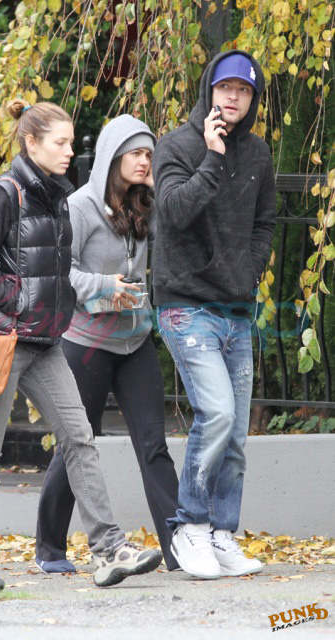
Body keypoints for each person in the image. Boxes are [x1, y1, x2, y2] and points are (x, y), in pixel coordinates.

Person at [0, 100, 162, 594]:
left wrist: (74, 301)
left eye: (69, 142)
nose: (68, 151)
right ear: (32, 143)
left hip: (45, 343)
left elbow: (60, 273)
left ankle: (109, 549)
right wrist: (19, 301)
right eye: (59, 143)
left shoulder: (59, 197)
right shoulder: (5, 194)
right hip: (2, 343)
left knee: (80, 438)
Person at [35, 114, 180, 573]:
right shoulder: (79, 206)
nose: (144, 161)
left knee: (154, 445)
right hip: (87, 344)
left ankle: (178, 549)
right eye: (136, 153)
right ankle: (50, 548)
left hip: (136, 342)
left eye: (149, 154)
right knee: (78, 442)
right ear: (113, 157)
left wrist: (161, 188)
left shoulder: (146, 202)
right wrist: (103, 286)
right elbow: (61, 270)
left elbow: (176, 239)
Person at [152, 51, 276, 579]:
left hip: (235, 308)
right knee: (218, 414)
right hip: (185, 305)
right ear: (209, 90)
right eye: (225, 88)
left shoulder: (259, 154)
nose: (233, 97)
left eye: (243, 91)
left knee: (237, 435)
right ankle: (190, 527)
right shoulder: (175, 146)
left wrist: (248, 272)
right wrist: (211, 155)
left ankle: (223, 533)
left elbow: (265, 223)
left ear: (252, 100)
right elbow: (174, 212)